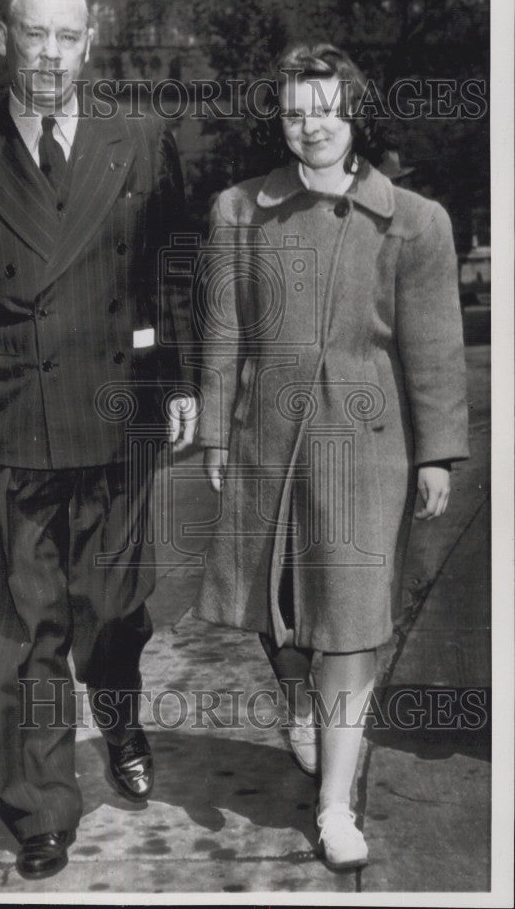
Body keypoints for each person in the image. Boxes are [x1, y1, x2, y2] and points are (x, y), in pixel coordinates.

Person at [0, 0, 196, 881]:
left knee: (109, 608)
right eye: (36, 36)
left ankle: (121, 711)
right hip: (11, 420)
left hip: (115, 413)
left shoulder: (140, 142)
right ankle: (39, 807)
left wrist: (178, 378)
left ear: (90, 44)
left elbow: (168, 271)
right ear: (5, 41)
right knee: (27, 626)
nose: (52, 55)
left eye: (69, 37)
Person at [195, 42, 468, 871]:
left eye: (326, 107)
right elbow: (222, 331)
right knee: (272, 612)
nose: (310, 123)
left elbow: (432, 349)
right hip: (267, 442)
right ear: (277, 118)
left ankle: (335, 804)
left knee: (347, 626)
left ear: (354, 113)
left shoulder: (415, 221)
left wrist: (436, 455)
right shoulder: (237, 211)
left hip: (365, 447)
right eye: (294, 108)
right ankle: (297, 702)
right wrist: (214, 428)